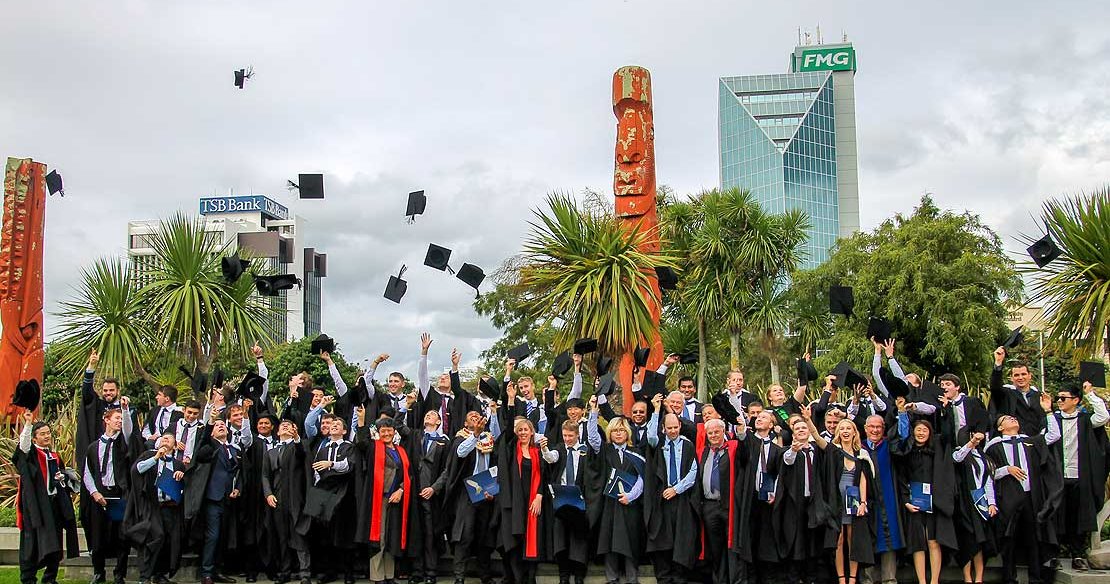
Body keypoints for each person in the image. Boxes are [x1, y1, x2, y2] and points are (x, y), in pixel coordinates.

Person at [985, 414, 1061, 584]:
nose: (1013, 419)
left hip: (1030, 497)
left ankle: (1036, 577)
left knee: (1033, 537)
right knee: (1008, 538)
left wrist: (1048, 412)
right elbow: (988, 475)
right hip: (1008, 498)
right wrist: (1006, 469)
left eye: (1014, 418)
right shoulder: (993, 447)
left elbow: (1054, 435)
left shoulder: (1030, 442)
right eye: (1007, 418)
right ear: (1000, 428)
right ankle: (1009, 578)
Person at [1045, 382, 1109, 571]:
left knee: (1078, 516)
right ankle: (1053, 555)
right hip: (1056, 477)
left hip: (1079, 476)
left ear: (1076, 400)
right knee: (1055, 516)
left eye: (1063, 398)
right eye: (1058, 398)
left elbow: (1103, 416)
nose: (1059, 401)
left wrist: (1090, 394)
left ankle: (1077, 555)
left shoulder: (1084, 420)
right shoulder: (1052, 419)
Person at [14, 410, 79, 584]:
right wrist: (28, 425)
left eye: (48, 433)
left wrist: (63, 477)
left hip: (54, 504)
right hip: (35, 508)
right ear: (34, 438)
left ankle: (50, 578)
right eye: (42, 434)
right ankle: (28, 578)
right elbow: (23, 448)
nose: (46, 436)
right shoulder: (31, 455)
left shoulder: (54, 456)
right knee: (32, 543)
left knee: (56, 542)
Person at [893, 419, 956, 584]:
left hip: (934, 503)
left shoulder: (935, 453)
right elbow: (902, 478)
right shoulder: (907, 453)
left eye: (924, 430)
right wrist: (906, 500)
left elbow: (949, 434)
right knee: (917, 544)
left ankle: (934, 580)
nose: (921, 433)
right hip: (914, 503)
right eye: (918, 430)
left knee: (933, 541)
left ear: (930, 434)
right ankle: (922, 580)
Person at [587, 415, 647, 584]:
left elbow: (641, 478)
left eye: (621, 430)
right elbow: (592, 437)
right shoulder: (605, 450)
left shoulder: (635, 452)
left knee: (630, 541)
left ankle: (632, 578)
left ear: (627, 432)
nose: (618, 433)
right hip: (610, 504)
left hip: (630, 504)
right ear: (609, 433)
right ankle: (612, 578)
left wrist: (631, 496)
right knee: (610, 540)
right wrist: (593, 412)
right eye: (614, 430)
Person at [777, 409, 833, 584]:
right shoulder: (789, 451)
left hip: (814, 501)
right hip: (796, 502)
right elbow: (787, 460)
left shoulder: (816, 450)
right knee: (796, 540)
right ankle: (794, 577)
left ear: (809, 430)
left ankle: (812, 576)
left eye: (804, 428)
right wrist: (793, 450)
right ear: (793, 432)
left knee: (813, 540)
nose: (801, 430)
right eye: (797, 428)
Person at [356, 410, 412, 584]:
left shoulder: (401, 451)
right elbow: (362, 442)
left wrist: (401, 490)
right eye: (383, 431)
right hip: (378, 499)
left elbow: (408, 474)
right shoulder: (374, 447)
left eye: (389, 430)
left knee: (391, 539)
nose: (386, 433)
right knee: (378, 538)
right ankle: (377, 576)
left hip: (396, 499)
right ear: (378, 433)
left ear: (394, 432)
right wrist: (361, 419)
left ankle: (389, 575)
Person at [303, 404, 358, 584]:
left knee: (344, 533)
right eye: (331, 425)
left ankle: (349, 572)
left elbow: (349, 465)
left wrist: (331, 464)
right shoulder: (323, 447)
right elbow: (317, 470)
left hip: (343, 493)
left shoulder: (349, 446)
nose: (333, 426)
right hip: (324, 492)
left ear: (344, 430)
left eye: (337, 425)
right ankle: (329, 571)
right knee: (324, 534)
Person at [544, 414, 599, 584]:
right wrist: (545, 449)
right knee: (560, 538)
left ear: (576, 435)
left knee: (578, 539)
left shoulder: (584, 451)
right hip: (561, 500)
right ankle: (564, 575)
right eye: (565, 435)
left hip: (579, 500)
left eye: (570, 436)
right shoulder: (560, 448)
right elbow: (551, 458)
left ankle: (579, 575)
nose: (567, 439)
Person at [644, 413, 699, 584]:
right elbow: (650, 435)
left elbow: (693, 472)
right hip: (661, 497)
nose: (673, 431)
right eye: (669, 428)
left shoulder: (688, 445)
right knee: (662, 538)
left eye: (676, 427)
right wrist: (656, 411)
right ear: (664, 429)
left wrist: (677, 489)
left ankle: (680, 576)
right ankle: (664, 576)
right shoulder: (658, 444)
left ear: (680, 426)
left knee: (681, 538)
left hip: (681, 498)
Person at [446, 408, 499, 584]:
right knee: (464, 534)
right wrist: (475, 434)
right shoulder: (461, 438)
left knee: (484, 534)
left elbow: (495, 464)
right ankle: (459, 576)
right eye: (471, 417)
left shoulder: (489, 439)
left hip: (487, 491)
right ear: (465, 424)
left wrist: (492, 489)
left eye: (478, 416)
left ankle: (485, 575)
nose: (475, 417)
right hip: (467, 492)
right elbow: (461, 452)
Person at [496, 408, 549, 584]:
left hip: (533, 502)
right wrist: (510, 402)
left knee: (531, 540)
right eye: (520, 430)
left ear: (532, 432)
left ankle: (531, 578)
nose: (523, 432)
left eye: (526, 429)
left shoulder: (537, 452)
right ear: (516, 433)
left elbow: (544, 475)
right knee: (516, 540)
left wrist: (539, 496)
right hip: (515, 503)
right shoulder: (512, 450)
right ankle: (518, 578)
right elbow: (508, 426)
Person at [819, 419, 875, 584]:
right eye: (841, 428)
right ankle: (841, 578)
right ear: (838, 432)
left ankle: (852, 578)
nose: (845, 431)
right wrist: (808, 420)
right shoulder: (834, 451)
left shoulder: (861, 454)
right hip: (836, 502)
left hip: (854, 503)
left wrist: (863, 503)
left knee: (853, 540)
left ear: (854, 432)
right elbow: (817, 437)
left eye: (848, 428)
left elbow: (863, 481)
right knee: (839, 539)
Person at [82, 407, 134, 584]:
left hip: (119, 494)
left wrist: (126, 411)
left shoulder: (123, 444)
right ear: (106, 419)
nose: (119, 421)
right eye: (117, 418)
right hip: (100, 496)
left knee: (122, 537)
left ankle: (120, 574)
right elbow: (87, 473)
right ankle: (98, 572)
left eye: (121, 419)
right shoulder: (93, 447)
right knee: (98, 537)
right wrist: (94, 492)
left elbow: (128, 431)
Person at [127, 431, 186, 584]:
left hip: (170, 507)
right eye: (163, 439)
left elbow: (184, 487)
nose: (165, 441)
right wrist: (155, 458)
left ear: (174, 445)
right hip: (152, 506)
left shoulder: (178, 463)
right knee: (155, 537)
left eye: (169, 440)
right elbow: (137, 469)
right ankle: (145, 576)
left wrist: (181, 476)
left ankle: (159, 574)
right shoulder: (148, 455)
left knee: (168, 540)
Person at [694, 416, 747, 584]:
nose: (714, 435)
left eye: (717, 431)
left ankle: (736, 580)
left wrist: (741, 431)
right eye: (710, 433)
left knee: (732, 546)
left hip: (728, 505)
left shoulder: (733, 448)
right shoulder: (703, 452)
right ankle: (720, 580)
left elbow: (746, 455)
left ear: (724, 431)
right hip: (709, 506)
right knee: (715, 547)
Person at [403, 407, 451, 584]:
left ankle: (431, 571)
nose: (428, 416)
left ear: (439, 422)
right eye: (426, 414)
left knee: (431, 533)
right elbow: (399, 425)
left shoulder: (444, 442)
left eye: (433, 415)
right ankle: (417, 571)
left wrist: (434, 488)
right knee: (415, 531)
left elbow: (448, 469)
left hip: (432, 494)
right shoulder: (415, 436)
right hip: (414, 491)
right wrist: (405, 407)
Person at [260, 418, 310, 584]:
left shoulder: (298, 446)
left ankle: (304, 572)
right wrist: (268, 494)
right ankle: (285, 571)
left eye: (290, 426)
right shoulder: (270, 452)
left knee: (299, 533)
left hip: (295, 497)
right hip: (277, 497)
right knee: (281, 536)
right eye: (283, 426)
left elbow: (302, 453)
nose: (286, 427)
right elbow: (265, 475)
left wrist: (297, 438)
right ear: (278, 431)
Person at [193, 414, 242, 584]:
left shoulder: (234, 449)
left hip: (228, 498)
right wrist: (210, 424)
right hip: (213, 497)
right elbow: (202, 445)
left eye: (223, 424)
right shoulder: (210, 447)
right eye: (217, 425)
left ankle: (218, 571)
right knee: (212, 536)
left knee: (223, 536)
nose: (221, 426)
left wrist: (238, 488)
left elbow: (238, 472)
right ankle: (206, 572)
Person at [858, 413, 902, 584]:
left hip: (888, 498)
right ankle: (867, 579)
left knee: (889, 537)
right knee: (866, 538)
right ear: (865, 429)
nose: (875, 430)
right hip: (865, 500)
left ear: (883, 429)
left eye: (879, 427)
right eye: (872, 427)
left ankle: (889, 579)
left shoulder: (889, 447)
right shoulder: (859, 448)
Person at [951, 429, 998, 584]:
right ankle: (967, 578)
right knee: (967, 541)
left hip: (981, 504)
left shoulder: (984, 457)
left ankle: (979, 578)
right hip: (965, 503)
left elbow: (988, 481)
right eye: (971, 435)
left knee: (980, 542)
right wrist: (970, 444)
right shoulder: (960, 452)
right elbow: (957, 459)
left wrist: (991, 503)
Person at [989, 347, 1046, 436]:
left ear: (1029, 376)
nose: (1020, 378)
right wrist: (998, 362)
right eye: (1016, 375)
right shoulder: (1007, 394)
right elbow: (995, 387)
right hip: (1015, 441)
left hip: (1037, 441)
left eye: (1023, 374)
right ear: (1011, 378)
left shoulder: (1039, 396)